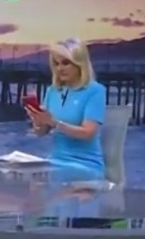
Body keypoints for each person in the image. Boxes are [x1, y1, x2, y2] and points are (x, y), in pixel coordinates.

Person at [26, 38, 107, 178]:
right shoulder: (52, 91)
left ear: (79, 63)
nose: (60, 68)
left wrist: (55, 123)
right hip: (55, 162)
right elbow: (41, 133)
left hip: (86, 165)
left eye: (65, 63)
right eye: (56, 64)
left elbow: (88, 133)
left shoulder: (95, 91)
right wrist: (38, 121)